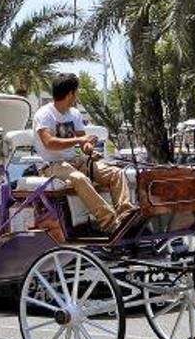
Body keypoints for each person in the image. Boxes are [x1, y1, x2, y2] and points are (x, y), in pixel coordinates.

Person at [34, 73, 136, 233]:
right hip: (53, 166)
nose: (77, 96)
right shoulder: (44, 114)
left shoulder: (74, 114)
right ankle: (109, 222)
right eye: (76, 92)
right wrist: (79, 141)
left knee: (116, 173)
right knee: (79, 178)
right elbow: (50, 143)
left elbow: (84, 144)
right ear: (70, 94)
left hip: (77, 162)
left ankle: (126, 216)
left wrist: (90, 147)